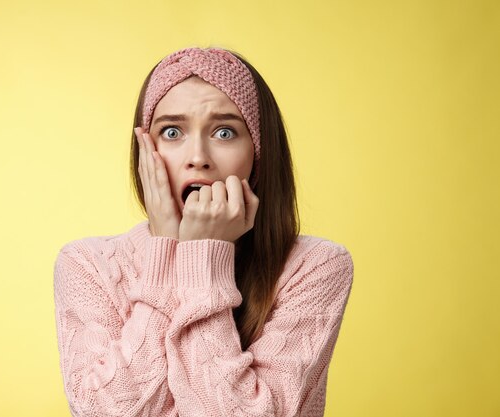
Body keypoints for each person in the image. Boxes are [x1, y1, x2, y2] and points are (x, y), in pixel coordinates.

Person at [53, 46, 354, 417]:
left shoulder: (316, 266)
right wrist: (166, 249)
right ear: (145, 150)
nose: (198, 156)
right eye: (172, 131)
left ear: (258, 155)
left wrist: (205, 259)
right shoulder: (86, 265)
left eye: (225, 132)